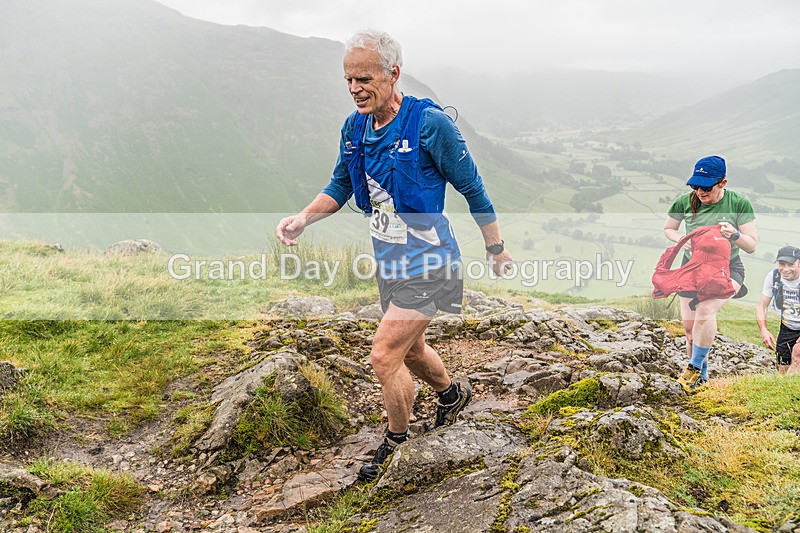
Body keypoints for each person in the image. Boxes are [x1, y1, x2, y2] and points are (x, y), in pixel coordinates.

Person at [275, 29, 513, 481]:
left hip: (431, 260)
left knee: (384, 354)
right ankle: (450, 395)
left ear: (393, 74)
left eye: (363, 78)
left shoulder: (429, 123)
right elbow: (342, 185)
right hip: (390, 260)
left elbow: (473, 189)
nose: (354, 89)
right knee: (413, 348)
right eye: (347, 80)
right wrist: (304, 217)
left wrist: (495, 248)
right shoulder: (355, 127)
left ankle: (396, 443)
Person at [663, 155, 758, 388]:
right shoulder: (685, 202)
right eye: (695, 185)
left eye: (706, 187)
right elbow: (669, 228)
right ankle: (701, 379)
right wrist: (680, 240)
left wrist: (735, 235)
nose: (700, 192)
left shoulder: (739, 203)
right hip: (691, 269)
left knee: (706, 309)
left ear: (722, 183)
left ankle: (693, 369)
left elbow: (752, 245)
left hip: (728, 269)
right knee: (690, 330)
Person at [757, 246, 800, 374]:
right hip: (787, 327)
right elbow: (762, 305)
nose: (785, 269)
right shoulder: (774, 276)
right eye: (782, 264)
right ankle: (785, 390)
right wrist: (763, 329)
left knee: (797, 355)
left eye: (791, 264)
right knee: (782, 367)